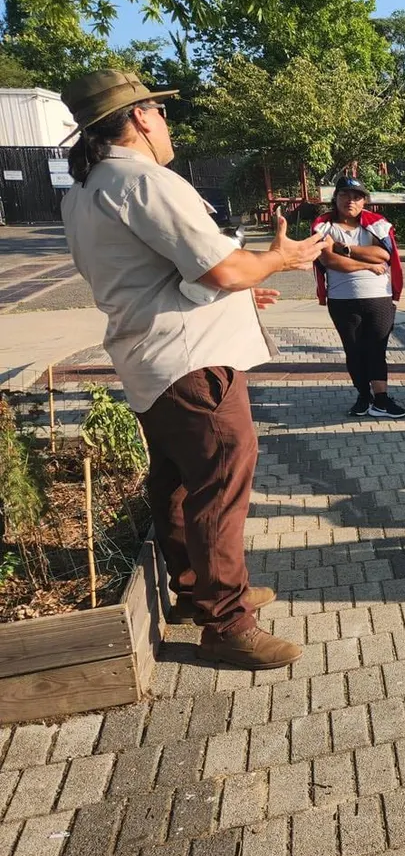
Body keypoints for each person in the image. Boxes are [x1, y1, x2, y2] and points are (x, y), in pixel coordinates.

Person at [59, 69, 322, 670]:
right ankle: (227, 622)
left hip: (148, 357)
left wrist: (235, 288)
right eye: (162, 112)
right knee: (220, 484)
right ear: (142, 116)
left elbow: (155, 276)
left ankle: (195, 590)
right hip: (192, 362)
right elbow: (222, 269)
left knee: (176, 482)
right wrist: (276, 260)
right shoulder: (145, 181)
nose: (167, 123)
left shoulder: (84, 190)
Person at [313, 176, 405, 419]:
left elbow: (383, 255)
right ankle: (363, 396)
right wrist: (366, 265)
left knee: (377, 348)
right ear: (335, 198)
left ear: (364, 201)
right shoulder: (324, 226)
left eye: (357, 197)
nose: (350, 201)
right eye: (345, 195)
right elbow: (329, 260)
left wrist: (343, 249)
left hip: (379, 296)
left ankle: (382, 400)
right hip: (342, 299)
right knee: (354, 350)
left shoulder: (376, 224)